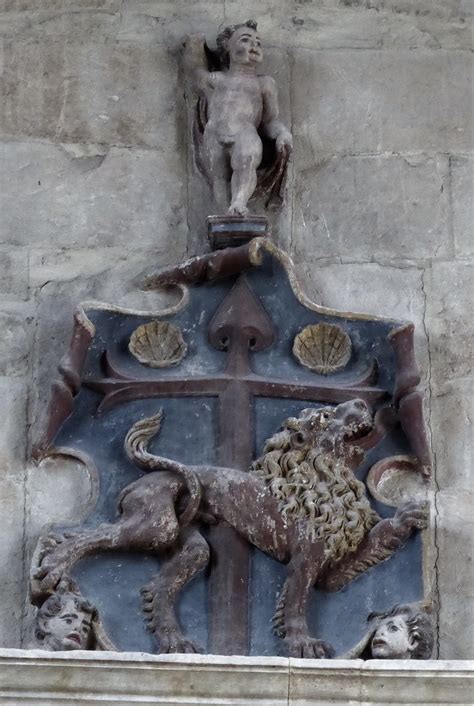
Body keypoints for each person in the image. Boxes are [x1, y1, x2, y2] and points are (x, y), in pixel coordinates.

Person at [185, 20, 293, 215]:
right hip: (214, 132)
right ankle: (224, 214)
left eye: (258, 43)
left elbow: (269, 121)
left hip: (245, 131)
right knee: (218, 178)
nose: (254, 46)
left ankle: (239, 202)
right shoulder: (217, 80)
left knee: (246, 161)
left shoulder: (264, 84)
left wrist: (282, 133)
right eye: (245, 40)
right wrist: (195, 46)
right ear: (227, 46)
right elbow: (195, 74)